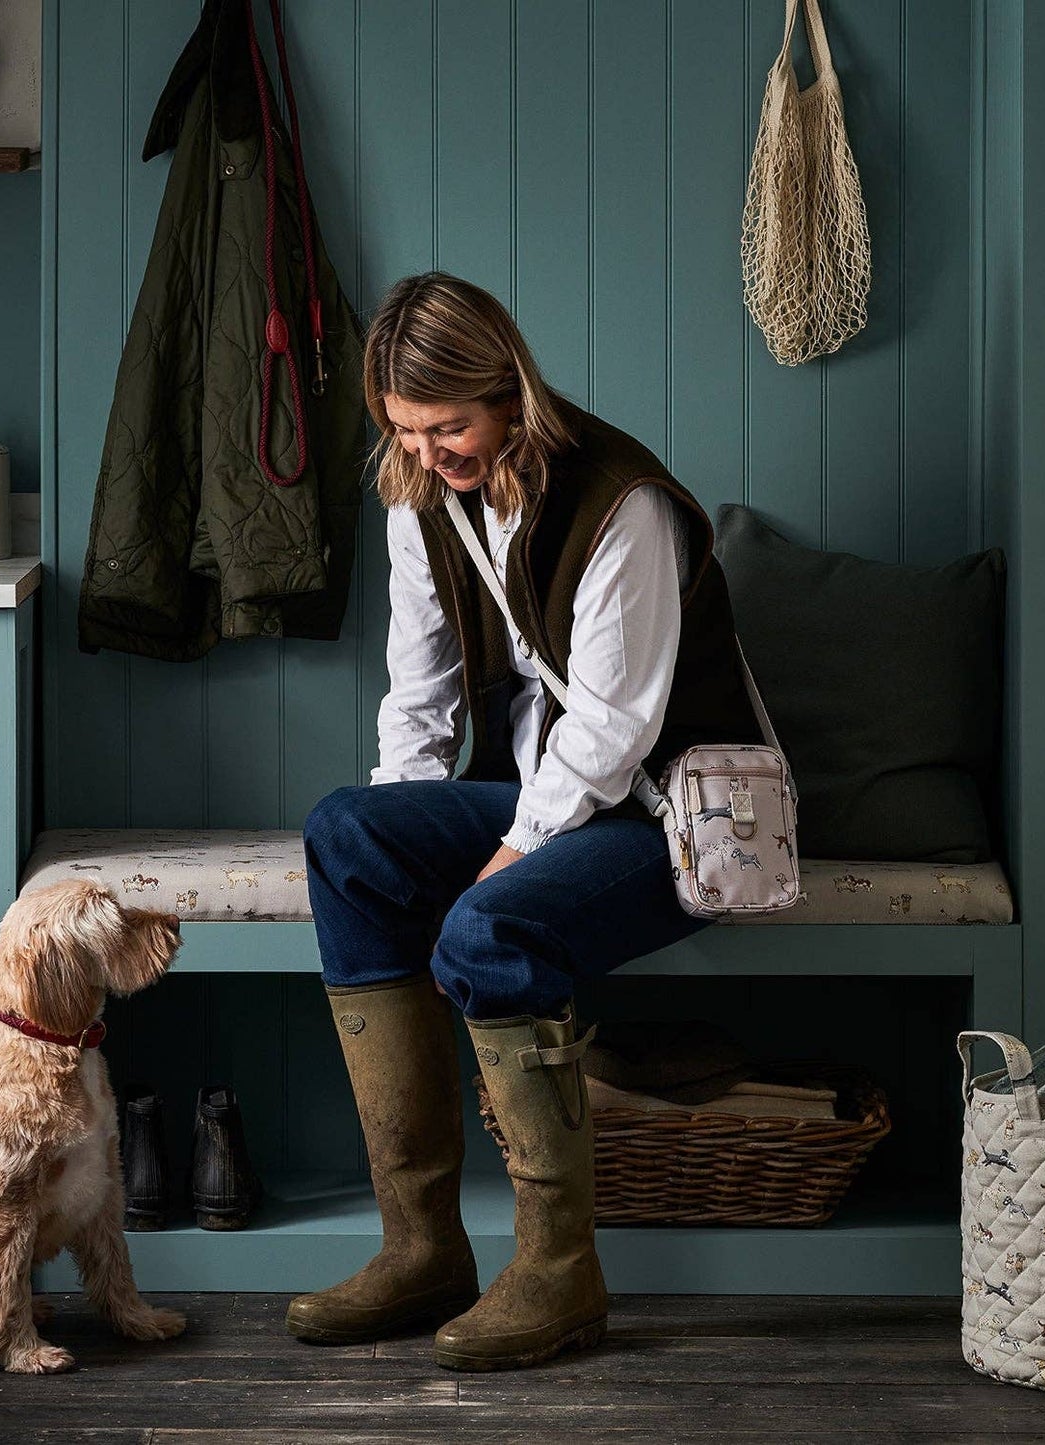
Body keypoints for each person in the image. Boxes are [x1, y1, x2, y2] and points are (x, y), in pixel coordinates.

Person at [285, 272, 763, 1372]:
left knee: (485, 931)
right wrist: (404, 817)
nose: (427, 450)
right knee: (348, 833)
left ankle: (557, 1271)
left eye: (447, 424)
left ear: (508, 392)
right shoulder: (423, 486)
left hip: (673, 811)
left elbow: (613, 724)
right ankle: (420, 1248)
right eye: (404, 430)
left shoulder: (618, 500)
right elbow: (420, 684)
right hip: (559, 786)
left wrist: (505, 857)